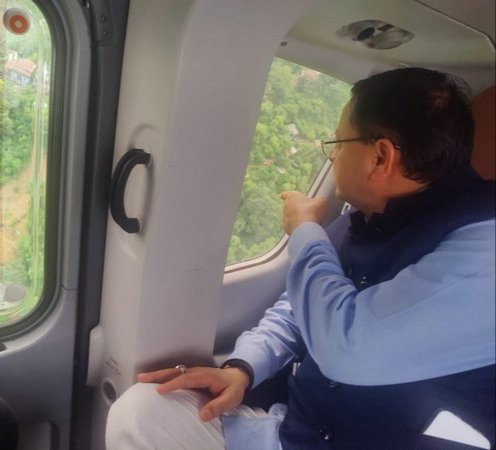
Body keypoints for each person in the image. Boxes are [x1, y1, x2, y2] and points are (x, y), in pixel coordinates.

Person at [106, 67, 495, 450]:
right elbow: (299, 310)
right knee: (143, 411)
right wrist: (242, 368)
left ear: (380, 158)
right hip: (295, 435)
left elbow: (348, 348)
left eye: (339, 142)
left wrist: (305, 232)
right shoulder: (359, 220)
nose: (334, 154)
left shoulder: (484, 246)